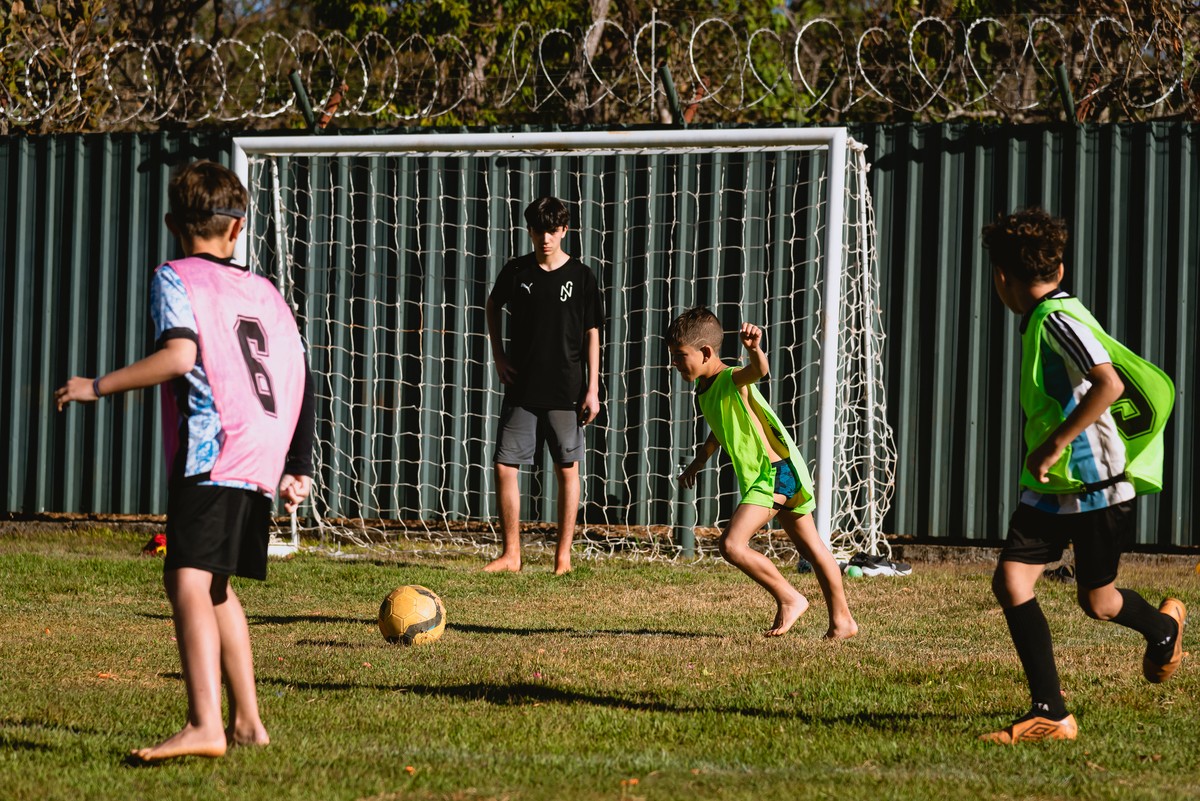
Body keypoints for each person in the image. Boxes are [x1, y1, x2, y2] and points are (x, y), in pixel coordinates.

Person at [55, 160, 316, 762]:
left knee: (187, 579)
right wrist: (296, 460)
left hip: (213, 445)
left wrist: (96, 385)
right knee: (217, 585)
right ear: (238, 228)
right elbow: (301, 372)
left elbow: (178, 357)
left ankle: (205, 725)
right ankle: (249, 722)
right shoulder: (266, 291)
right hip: (261, 450)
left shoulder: (175, 276)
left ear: (174, 223)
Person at [978, 207, 1182, 744]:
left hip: (1097, 488)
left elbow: (1107, 384)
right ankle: (1050, 712)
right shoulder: (1050, 316)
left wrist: (1054, 442)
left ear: (1000, 276)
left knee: (1100, 601)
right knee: (1011, 581)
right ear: (1060, 268)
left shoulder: (1058, 320)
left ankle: (1164, 628)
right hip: (1054, 489)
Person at [667, 307, 856, 639]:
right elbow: (720, 429)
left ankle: (790, 598)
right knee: (814, 550)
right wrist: (698, 462)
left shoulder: (730, 377)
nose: (675, 363)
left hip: (773, 476)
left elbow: (758, 370)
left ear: (706, 352)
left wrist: (755, 350)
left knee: (732, 544)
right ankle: (843, 622)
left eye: (680, 356)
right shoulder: (707, 390)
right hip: (780, 475)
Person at [483, 197, 603, 575]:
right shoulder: (517, 270)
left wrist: (593, 388)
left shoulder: (582, 276)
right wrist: (499, 356)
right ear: (530, 230)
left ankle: (563, 557)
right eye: (539, 230)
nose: (545, 238)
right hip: (522, 386)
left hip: (566, 390)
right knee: (505, 466)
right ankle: (511, 555)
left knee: (567, 468)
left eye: (553, 230)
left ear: (564, 230)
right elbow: (491, 305)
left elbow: (592, 333)